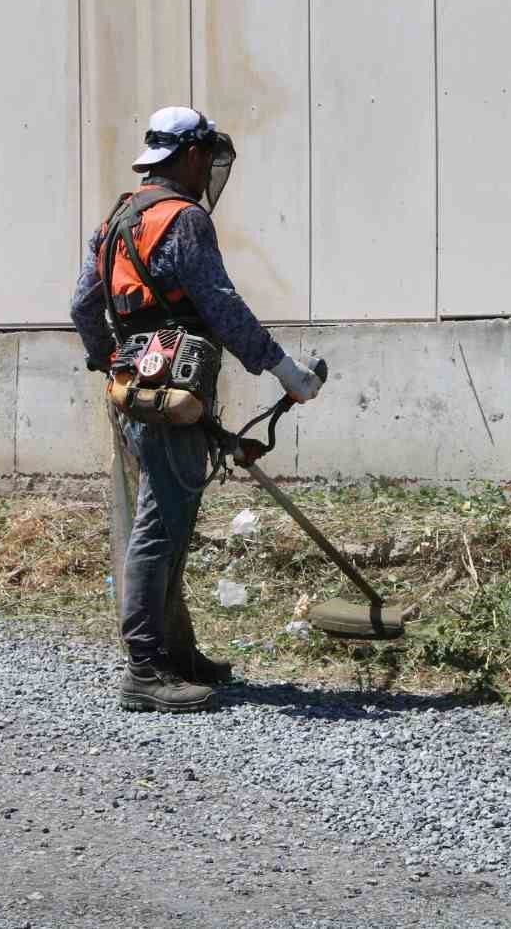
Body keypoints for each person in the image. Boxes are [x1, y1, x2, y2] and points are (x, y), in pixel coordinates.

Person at [70, 106, 322, 713]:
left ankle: (177, 654)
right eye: (205, 158)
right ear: (188, 157)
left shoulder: (115, 220)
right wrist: (287, 372)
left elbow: (83, 305)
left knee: (167, 520)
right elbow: (222, 307)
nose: (209, 169)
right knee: (161, 525)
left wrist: (118, 366)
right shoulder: (182, 220)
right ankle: (146, 670)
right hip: (176, 384)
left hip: (139, 387)